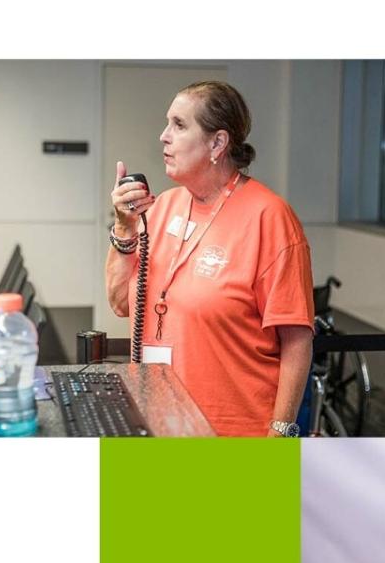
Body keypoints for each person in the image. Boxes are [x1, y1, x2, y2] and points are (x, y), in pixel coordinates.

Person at [105, 80, 313, 437]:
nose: (163, 136)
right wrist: (124, 229)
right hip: (158, 422)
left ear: (217, 143)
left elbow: (297, 340)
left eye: (179, 125)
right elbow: (121, 303)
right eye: (167, 123)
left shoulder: (270, 217)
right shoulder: (162, 207)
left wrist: (280, 434)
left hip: (234, 432)